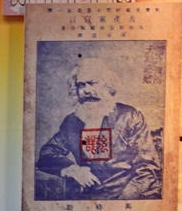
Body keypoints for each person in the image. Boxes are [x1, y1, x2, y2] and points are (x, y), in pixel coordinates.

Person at [36, 57, 162, 201]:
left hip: (131, 196)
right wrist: (74, 170)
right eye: (81, 85)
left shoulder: (129, 116)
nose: (87, 91)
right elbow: (46, 154)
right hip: (92, 198)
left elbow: (148, 169)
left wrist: (122, 202)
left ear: (107, 86)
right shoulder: (72, 121)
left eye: (92, 83)